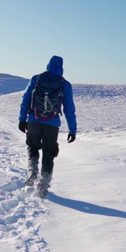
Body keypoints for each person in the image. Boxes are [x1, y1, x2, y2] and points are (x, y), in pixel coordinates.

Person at [18, 55, 77, 197]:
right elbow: (69, 109)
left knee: (32, 146)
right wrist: (72, 130)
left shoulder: (36, 79)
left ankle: (32, 170)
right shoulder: (65, 85)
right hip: (52, 124)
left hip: (34, 121)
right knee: (49, 153)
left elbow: (25, 99)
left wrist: (22, 119)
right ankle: (43, 186)